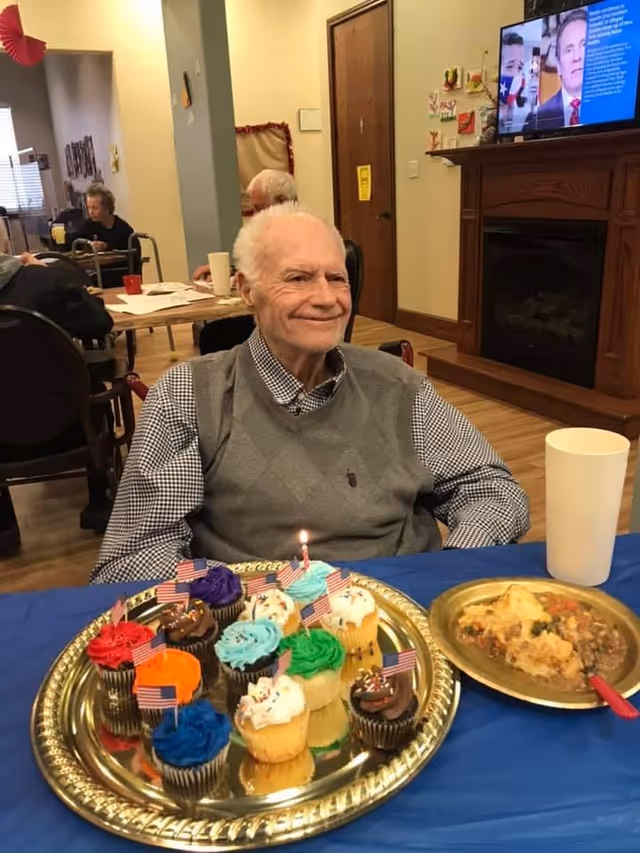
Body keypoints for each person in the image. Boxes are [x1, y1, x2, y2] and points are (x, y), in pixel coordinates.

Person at [91, 204, 529, 584]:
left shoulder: (397, 385)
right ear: (247, 290)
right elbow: (133, 558)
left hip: (401, 613)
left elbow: (492, 490)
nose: (326, 298)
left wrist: (447, 571)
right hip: (261, 638)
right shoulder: (189, 395)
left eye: (337, 278)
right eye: (298, 278)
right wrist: (230, 600)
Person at [0, 253, 116, 556]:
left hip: (2, 437)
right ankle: (98, 500)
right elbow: (99, 323)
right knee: (96, 384)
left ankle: (4, 526)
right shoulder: (42, 280)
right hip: (67, 423)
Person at [192, 169, 297, 282]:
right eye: (254, 210)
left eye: (259, 209)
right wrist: (227, 272)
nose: (255, 216)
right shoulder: (266, 233)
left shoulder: (303, 235)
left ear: (282, 202)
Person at [524, 9, 587, 132]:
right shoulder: (536, 118)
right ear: (558, 65)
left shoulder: (616, 108)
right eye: (568, 50)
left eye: (584, 45)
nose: (576, 57)